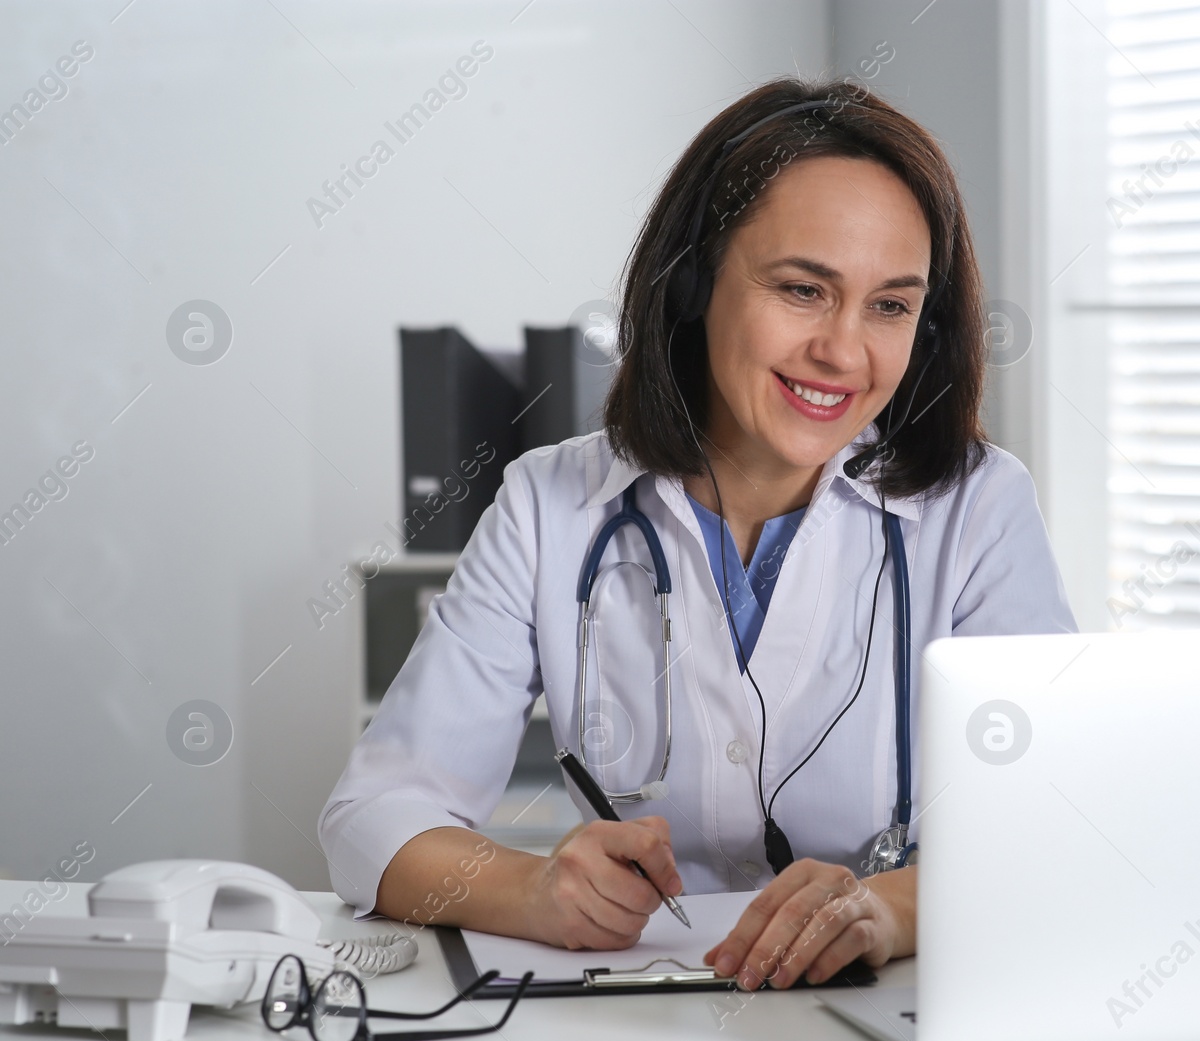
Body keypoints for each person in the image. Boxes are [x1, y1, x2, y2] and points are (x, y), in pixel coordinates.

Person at [318, 76, 1075, 992]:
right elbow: (374, 818)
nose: (844, 351)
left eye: (890, 305)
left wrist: (891, 909)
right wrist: (532, 889)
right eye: (803, 289)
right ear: (691, 286)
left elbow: (1060, 827)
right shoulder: (549, 504)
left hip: (880, 1016)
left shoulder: (979, 507)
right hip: (636, 1016)